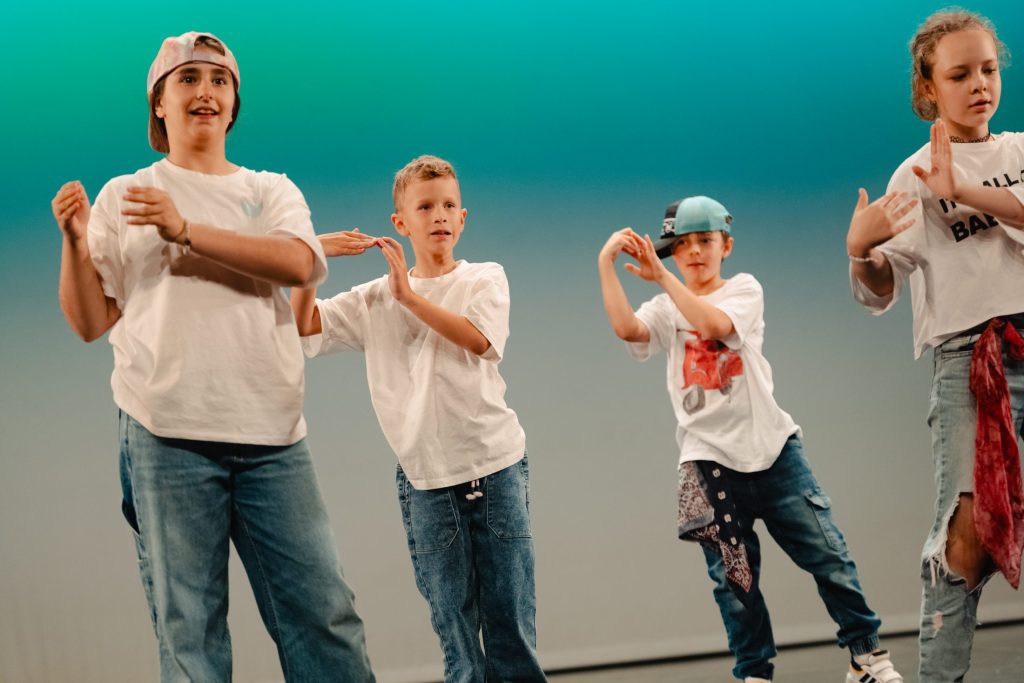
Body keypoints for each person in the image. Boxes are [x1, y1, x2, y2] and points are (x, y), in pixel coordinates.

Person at [50, 31, 374, 682]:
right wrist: (75, 243)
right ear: (159, 104)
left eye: (219, 81)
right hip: (164, 432)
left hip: (272, 435)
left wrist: (185, 231)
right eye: (188, 79)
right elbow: (90, 322)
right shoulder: (125, 194)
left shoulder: (270, 190)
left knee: (325, 618)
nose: (206, 91)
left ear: (233, 107)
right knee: (190, 635)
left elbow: (301, 261)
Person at [599, 196, 902, 683]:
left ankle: (865, 657)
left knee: (830, 556)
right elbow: (626, 328)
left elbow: (714, 325)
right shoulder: (664, 307)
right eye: (682, 244)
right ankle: (754, 673)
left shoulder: (743, 289)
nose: (694, 252)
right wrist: (605, 264)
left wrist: (662, 279)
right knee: (733, 582)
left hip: (774, 453)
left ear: (727, 246)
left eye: (705, 241)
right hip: (708, 464)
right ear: (672, 253)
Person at [291, 155, 546, 682]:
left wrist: (407, 297)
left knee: (511, 627)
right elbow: (304, 323)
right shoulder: (375, 299)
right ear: (400, 224)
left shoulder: (484, 277)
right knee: (455, 633)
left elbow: (479, 339)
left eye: (449, 205)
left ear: (463, 218)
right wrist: (310, 258)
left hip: (495, 470)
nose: (440, 215)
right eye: (425, 207)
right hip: (427, 483)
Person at [846, 9, 1024, 681]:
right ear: (928, 88)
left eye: (989, 69)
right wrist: (861, 250)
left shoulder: (1019, 152)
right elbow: (880, 287)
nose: (979, 84)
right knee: (964, 538)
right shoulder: (913, 175)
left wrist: (965, 190)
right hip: (970, 360)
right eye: (959, 74)